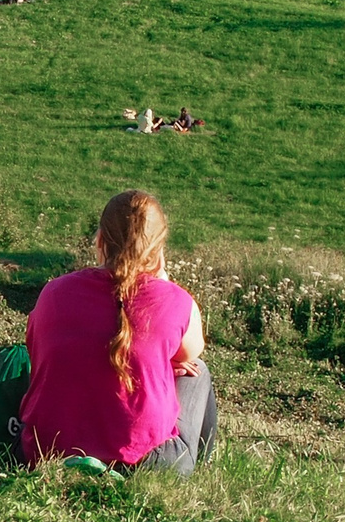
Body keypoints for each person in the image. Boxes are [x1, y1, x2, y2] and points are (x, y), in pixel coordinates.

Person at [18, 189, 217, 477]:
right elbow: (191, 352)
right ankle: (202, 462)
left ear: (99, 240)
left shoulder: (53, 292)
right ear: (159, 251)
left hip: (46, 450)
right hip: (146, 462)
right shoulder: (175, 301)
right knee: (198, 369)